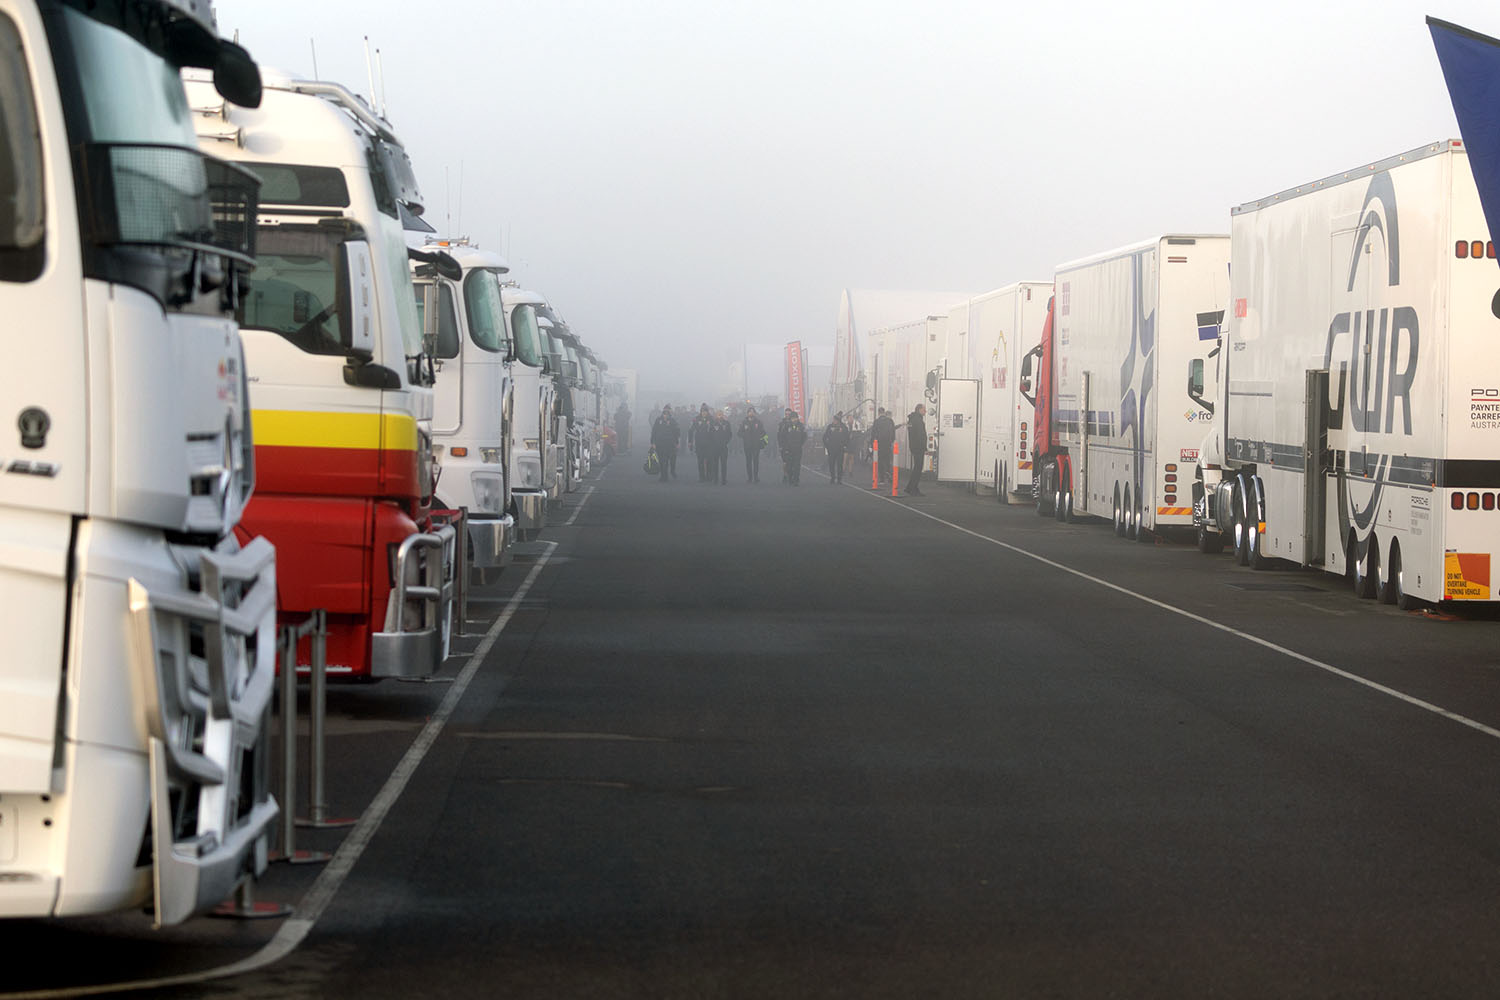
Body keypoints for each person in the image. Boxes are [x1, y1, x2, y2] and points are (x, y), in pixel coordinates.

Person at [650, 405, 681, 482]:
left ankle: (672, 471)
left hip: (670, 443)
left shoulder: (672, 421)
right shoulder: (658, 420)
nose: (665, 415)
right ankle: (663, 476)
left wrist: (677, 442)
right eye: (664, 413)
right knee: (662, 460)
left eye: (667, 413)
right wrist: (652, 442)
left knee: (671, 459)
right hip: (660, 443)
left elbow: (677, 432)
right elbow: (654, 431)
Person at [777, 407, 807, 485]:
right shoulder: (786, 426)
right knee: (789, 465)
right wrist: (783, 446)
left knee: (797, 465)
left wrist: (800, 444)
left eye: (795, 418)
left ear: (797, 418)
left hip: (797, 449)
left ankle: (796, 479)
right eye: (792, 418)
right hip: (788, 449)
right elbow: (782, 437)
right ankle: (790, 477)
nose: (794, 420)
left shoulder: (801, 426)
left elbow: (804, 436)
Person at [905, 403, 927, 495]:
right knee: (918, 468)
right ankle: (913, 488)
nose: (925, 411)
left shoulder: (912, 420)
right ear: (919, 410)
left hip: (914, 446)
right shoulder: (918, 420)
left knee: (916, 468)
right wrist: (924, 447)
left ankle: (910, 487)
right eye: (924, 409)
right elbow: (920, 435)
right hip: (918, 447)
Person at [739, 407, 766, 482]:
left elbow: (763, 432)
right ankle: (750, 477)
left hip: (756, 445)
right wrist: (745, 435)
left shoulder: (758, 422)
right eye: (750, 412)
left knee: (756, 461)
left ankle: (756, 477)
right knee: (748, 461)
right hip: (747, 445)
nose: (751, 413)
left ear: (755, 413)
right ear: (747, 413)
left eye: (752, 412)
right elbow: (739, 433)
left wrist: (761, 439)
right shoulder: (744, 422)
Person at [871, 407, 896, 487]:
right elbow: (893, 432)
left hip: (879, 444)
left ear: (878, 413)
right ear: (884, 412)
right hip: (888, 444)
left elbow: (873, 433)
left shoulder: (876, 422)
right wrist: (891, 441)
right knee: (888, 460)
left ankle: (882, 479)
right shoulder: (890, 421)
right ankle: (889, 473)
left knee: (880, 461)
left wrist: (872, 444)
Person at [822, 411, 850, 485]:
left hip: (840, 449)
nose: (833, 421)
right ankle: (832, 478)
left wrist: (845, 445)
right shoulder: (830, 427)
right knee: (831, 464)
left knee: (839, 464)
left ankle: (839, 479)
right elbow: (825, 437)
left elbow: (847, 437)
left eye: (835, 420)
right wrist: (827, 446)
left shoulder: (843, 427)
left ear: (838, 420)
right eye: (833, 420)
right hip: (831, 449)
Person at [689, 404, 713, 482]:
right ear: (701, 412)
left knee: (709, 461)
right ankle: (701, 477)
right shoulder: (696, 419)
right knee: (700, 461)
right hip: (699, 443)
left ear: (707, 412)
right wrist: (690, 441)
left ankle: (709, 476)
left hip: (709, 444)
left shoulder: (711, 419)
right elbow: (691, 430)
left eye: (705, 411)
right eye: (703, 411)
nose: (704, 413)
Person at [710, 409, 733, 484]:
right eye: (718, 414)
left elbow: (730, 434)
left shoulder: (726, 423)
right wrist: (713, 443)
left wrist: (726, 442)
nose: (720, 416)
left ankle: (724, 479)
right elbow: (710, 434)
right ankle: (715, 479)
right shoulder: (713, 423)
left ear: (723, 415)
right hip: (715, 447)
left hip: (723, 447)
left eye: (721, 414)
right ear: (716, 415)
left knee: (724, 464)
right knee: (715, 464)